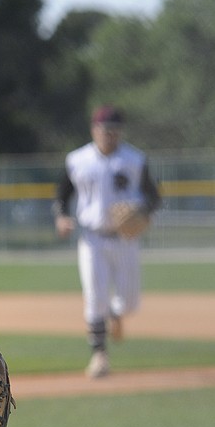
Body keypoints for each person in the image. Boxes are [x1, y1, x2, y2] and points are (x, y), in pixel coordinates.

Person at [54, 105, 161, 378]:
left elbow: (154, 196)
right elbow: (62, 194)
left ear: (121, 132)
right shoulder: (78, 160)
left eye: (114, 131)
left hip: (126, 239)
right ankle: (99, 356)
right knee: (95, 297)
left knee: (129, 303)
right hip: (92, 238)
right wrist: (62, 217)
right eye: (105, 131)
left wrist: (144, 210)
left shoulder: (135, 159)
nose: (109, 136)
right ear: (94, 130)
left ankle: (116, 313)